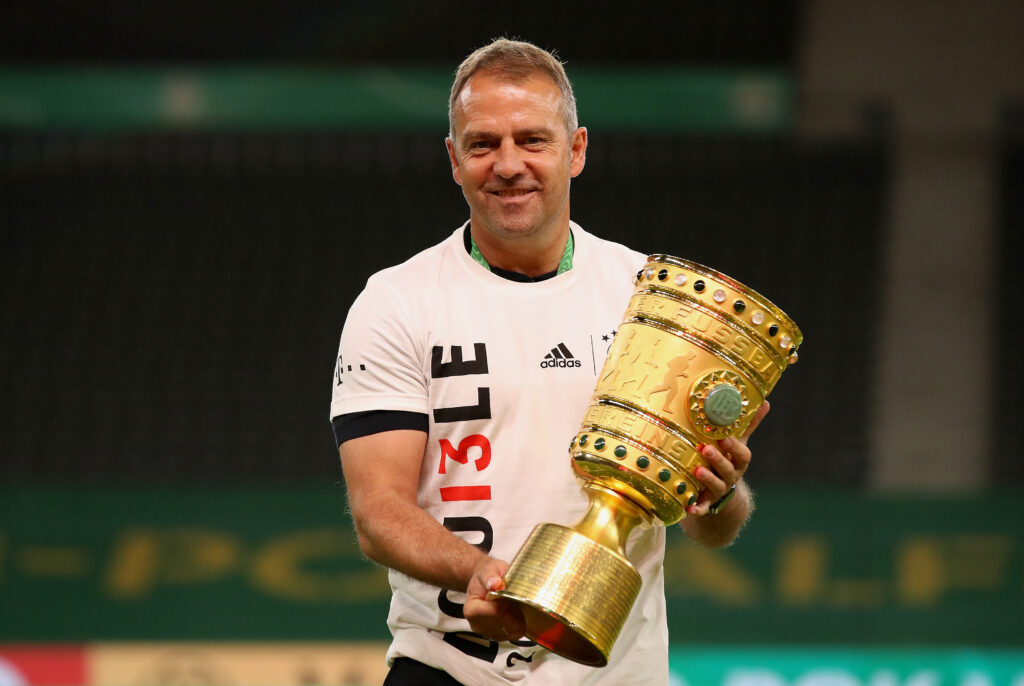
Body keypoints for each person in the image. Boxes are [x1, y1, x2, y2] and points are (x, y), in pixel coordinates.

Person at [330, 38, 766, 686]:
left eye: (532, 140)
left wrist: (720, 493)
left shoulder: (648, 301)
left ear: (577, 150)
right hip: (448, 668)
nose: (509, 165)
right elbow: (377, 512)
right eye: (483, 145)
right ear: (454, 160)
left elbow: (712, 530)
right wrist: (477, 569)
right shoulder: (397, 302)